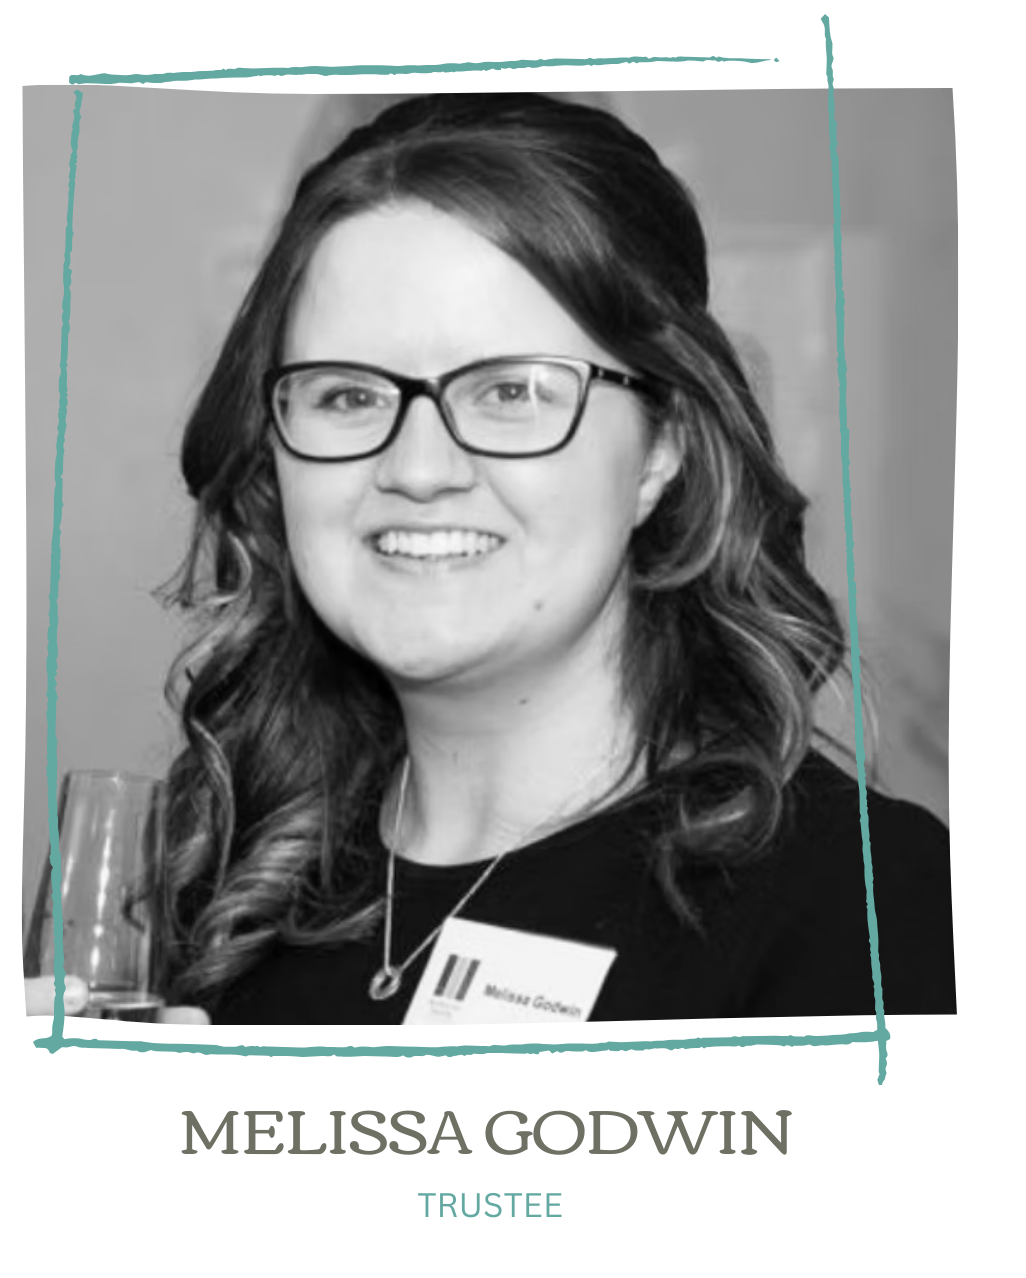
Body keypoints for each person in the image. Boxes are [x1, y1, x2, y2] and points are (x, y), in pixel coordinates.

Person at [151, 92, 955, 1025]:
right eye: (347, 396)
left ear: (664, 448)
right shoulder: (207, 879)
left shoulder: (864, 907)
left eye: (511, 391)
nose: (417, 468)